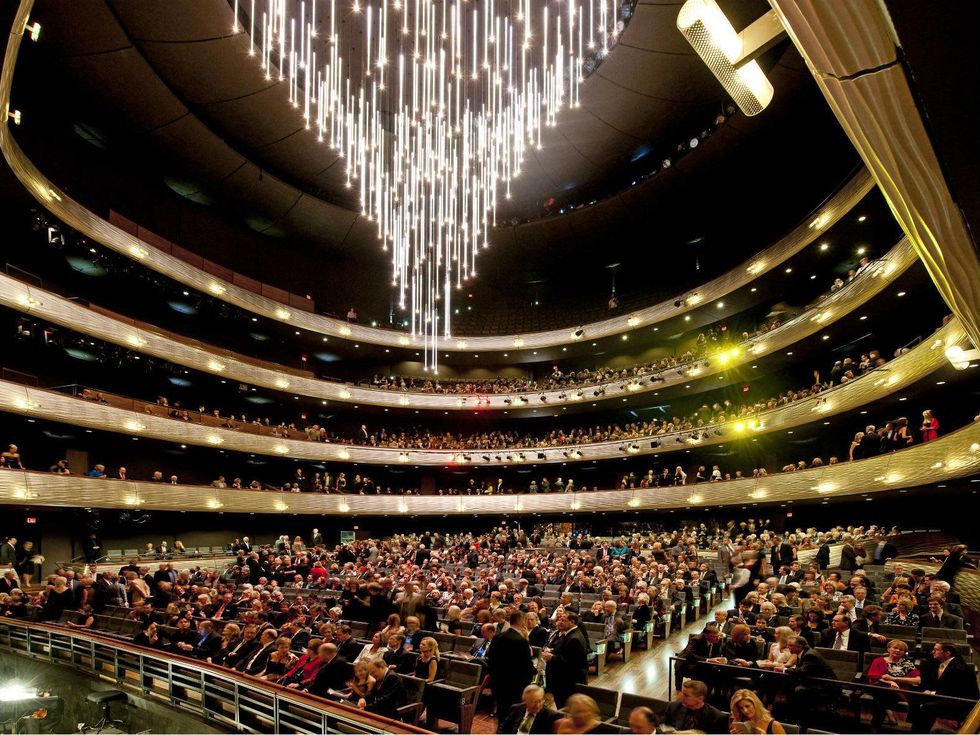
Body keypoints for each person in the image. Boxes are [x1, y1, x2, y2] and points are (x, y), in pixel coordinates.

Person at [913, 642, 980, 733]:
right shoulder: (936, 662)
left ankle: (920, 732)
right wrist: (927, 690)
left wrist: (932, 693)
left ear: (947, 653)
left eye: (936, 650)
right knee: (915, 698)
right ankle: (916, 731)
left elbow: (956, 692)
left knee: (928, 707)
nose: (933, 652)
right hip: (945, 697)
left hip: (961, 702)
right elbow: (927, 679)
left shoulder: (960, 668)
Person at [488, 609, 535, 728]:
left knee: (501, 715)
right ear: (521, 621)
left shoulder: (497, 637)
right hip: (514, 686)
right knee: (512, 718)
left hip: (498, 683)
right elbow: (526, 666)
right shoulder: (521, 641)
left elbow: (491, 660)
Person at [866, 639, 920, 731]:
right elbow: (873, 675)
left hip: (899, 690)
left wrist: (894, 679)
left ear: (904, 653)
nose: (898, 650)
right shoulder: (878, 661)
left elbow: (918, 680)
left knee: (882, 695)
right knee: (882, 691)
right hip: (878, 686)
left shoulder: (907, 663)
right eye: (895, 648)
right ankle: (885, 718)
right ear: (888, 649)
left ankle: (875, 726)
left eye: (901, 649)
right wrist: (890, 682)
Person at [542, 612, 589, 708]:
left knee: (565, 708)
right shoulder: (570, 634)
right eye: (560, 620)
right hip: (563, 680)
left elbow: (572, 663)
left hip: (568, 682)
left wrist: (552, 657)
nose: (560, 622)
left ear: (572, 622)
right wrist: (552, 650)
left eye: (563, 620)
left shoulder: (574, 638)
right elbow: (564, 651)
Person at [663, 680, 728, 734]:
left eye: (686, 695)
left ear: (700, 698)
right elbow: (664, 726)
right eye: (682, 693)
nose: (681, 697)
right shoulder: (673, 707)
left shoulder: (717, 718)